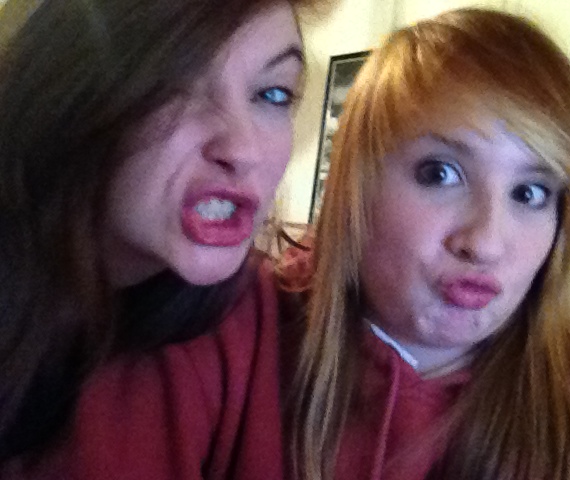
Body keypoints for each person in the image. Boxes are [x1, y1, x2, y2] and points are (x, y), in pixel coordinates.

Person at [286, 7, 570, 480]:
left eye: (529, 193)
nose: (486, 244)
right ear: (355, 187)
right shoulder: (246, 339)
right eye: (440, 173)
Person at [0, 0, 326, 472]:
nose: (243, 150)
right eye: (176, 86)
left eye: (272, 94)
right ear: (69, 95)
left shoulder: (245, 316)